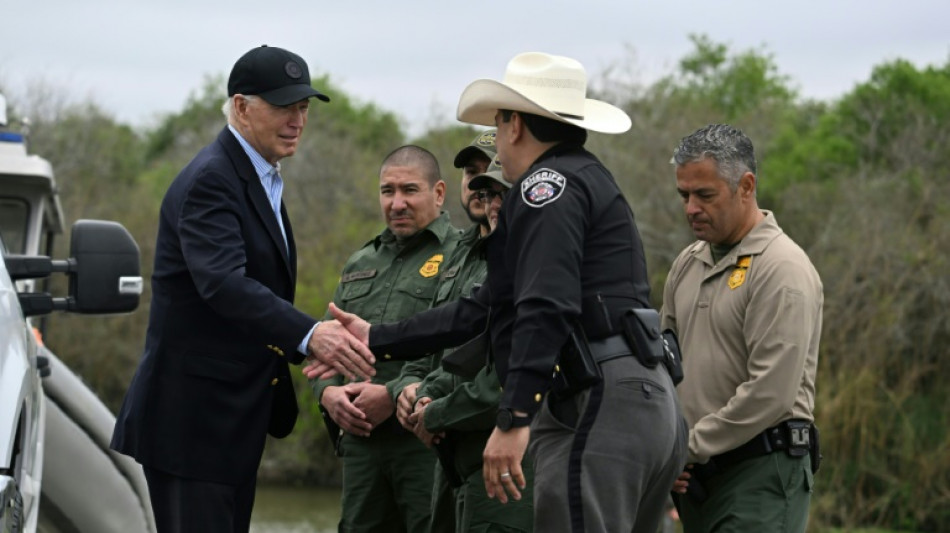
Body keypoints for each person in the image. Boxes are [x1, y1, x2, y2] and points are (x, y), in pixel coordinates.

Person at [308, 51, 688, 533]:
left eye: (497, 121)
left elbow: (545, 306)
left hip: (597, 401)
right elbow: (483, 309)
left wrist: (513, 419)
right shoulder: (585, 177)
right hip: (645, 399)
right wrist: (376, 337)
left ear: (513, 126)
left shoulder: (543, 188)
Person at [110, 45, 375, 532]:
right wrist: (310, 335)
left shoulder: (260, 176)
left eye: (303, 107)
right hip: (192, 426)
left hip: (231, 423)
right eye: (282, 106)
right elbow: (224, 284)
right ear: (240, 106)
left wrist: (305, 341)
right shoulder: (213, 178)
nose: (297, 119)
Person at [662, 124, 823, 532]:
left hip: (760, 474)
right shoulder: (687, 263)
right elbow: (663, 365)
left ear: (746, 186)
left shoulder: (781, 267)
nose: (691, 208)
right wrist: (666, 447)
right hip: (697, 478)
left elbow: (770, 392)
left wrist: (686, 447)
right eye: (684, 195)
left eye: (705, 195)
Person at [312, 145, 462, 533]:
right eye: (387, 191)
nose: (397, 203)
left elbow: (464, 349)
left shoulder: (463, 256)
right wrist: (327, 395)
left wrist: (393, 393)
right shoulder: (361, 262)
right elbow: (326, 346)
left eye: (410, 190)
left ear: (439, 193)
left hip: (426, 441)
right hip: (362, 445)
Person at [406, 162, 534, 532]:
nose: (493, 205)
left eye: (504, 195)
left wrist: (436, 414)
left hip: (513, 468)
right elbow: (467, 351)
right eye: (488, 195)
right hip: (459, 462)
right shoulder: (503, 269)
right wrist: (426, 394)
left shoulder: (538, 270)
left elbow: (504, 379)